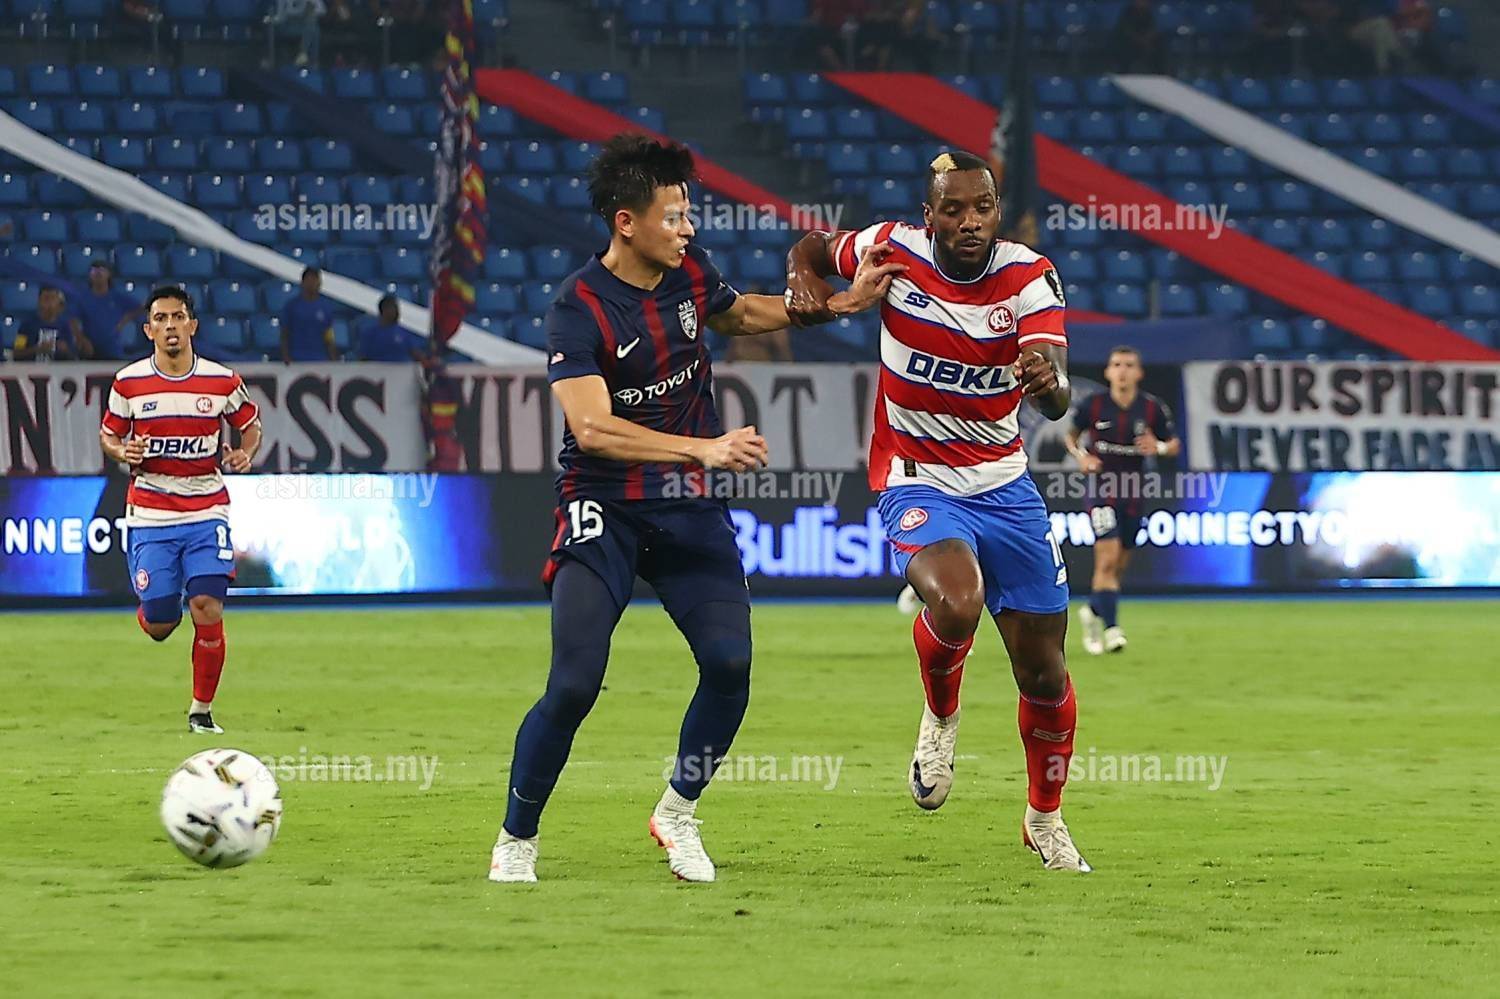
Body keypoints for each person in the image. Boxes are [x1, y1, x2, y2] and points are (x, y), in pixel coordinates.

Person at [488, 134, 897, 884]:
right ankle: (517, 837)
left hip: (686, 505)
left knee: (730, 662)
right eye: (673, 216)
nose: (688, 228)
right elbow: (592, 428)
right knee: (574, 683)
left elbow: (738, 315)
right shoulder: (576, 308)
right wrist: (702, 449)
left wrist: (837, 304)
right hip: (603, 504)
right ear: (626, 222)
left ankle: (678, 810)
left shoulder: (691, 272)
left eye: (688, 213)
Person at [786, 150, 1091, 872]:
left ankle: (1044, 819)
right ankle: (941, 716)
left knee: (1044, 673)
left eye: (982, 207)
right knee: (957, 600)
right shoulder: (891, 248)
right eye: (953, 210)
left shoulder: (1029, 277)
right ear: (930, 218)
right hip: (916, 475)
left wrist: (1047, 382)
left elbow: (1057, 395)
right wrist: (804, 279)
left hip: (1005, 484)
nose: (969, 222)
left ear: (997, 212)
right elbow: (812, 248)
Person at [98, 286, 262, 735]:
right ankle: (155, 606)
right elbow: (109, 434)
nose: (170, 326)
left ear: (192, 325)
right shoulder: (128, 383)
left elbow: (250, 424)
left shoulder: (222, 381)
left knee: (207, 605)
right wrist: (122, 451)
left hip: (207, 509)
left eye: (177, 317)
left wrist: (245, 453)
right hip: (151, 513)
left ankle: (201, 712)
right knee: (161, 622)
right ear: (148, 330)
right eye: (161, 319)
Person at [1065, 346, 1179, 656]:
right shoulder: (1093, 405)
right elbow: (1070, 437)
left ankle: (1092, 611)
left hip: (1133, 491)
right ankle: (1113, 629)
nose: (1122, 371)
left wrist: (1158, 447)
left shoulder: (1151, 408)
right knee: (1107, 559)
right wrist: (1082, 456)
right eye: (1116, 365)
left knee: (1118, 567)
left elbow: (1173, 444)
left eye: (1129, 365)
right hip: (1101, 489)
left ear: (1139, 373)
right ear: (1108, 372)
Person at [75, 261, 144, 362]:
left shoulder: (117, 297)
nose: (98, 274)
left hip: (112, 348)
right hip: (89, 349)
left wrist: (125, 320)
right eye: (94, 271)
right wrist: (81, 339)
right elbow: (73, 319)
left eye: (101, 271)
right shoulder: (83, 298)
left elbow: (142, 307)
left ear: (109, 274)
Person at [13, 285, 89, 361]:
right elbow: (16, 353)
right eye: (46, 299)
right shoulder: (27, 325)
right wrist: (36, 349)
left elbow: (74, 357)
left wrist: (65, 350)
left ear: (59, 304)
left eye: (52, 299)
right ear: (39, 302)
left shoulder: (66, 326)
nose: (49, 303)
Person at [280, 267, 339, 362]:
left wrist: (333, 358)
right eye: (309, 280)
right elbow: (284, 333)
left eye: (314, 280)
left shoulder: (326, 307)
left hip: (320, 359)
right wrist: (285, 355)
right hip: (297, 359)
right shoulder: (291, 306)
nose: (311, 284)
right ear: (302, 283)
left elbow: (328, 335)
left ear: (319, 283)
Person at [355, 294, 427, 362]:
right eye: (394, 308)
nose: (397, 312)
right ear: (384, 310)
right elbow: (362, 359)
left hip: (402, 370)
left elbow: (416, 354)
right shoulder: (369, 334)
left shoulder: (404, 333)